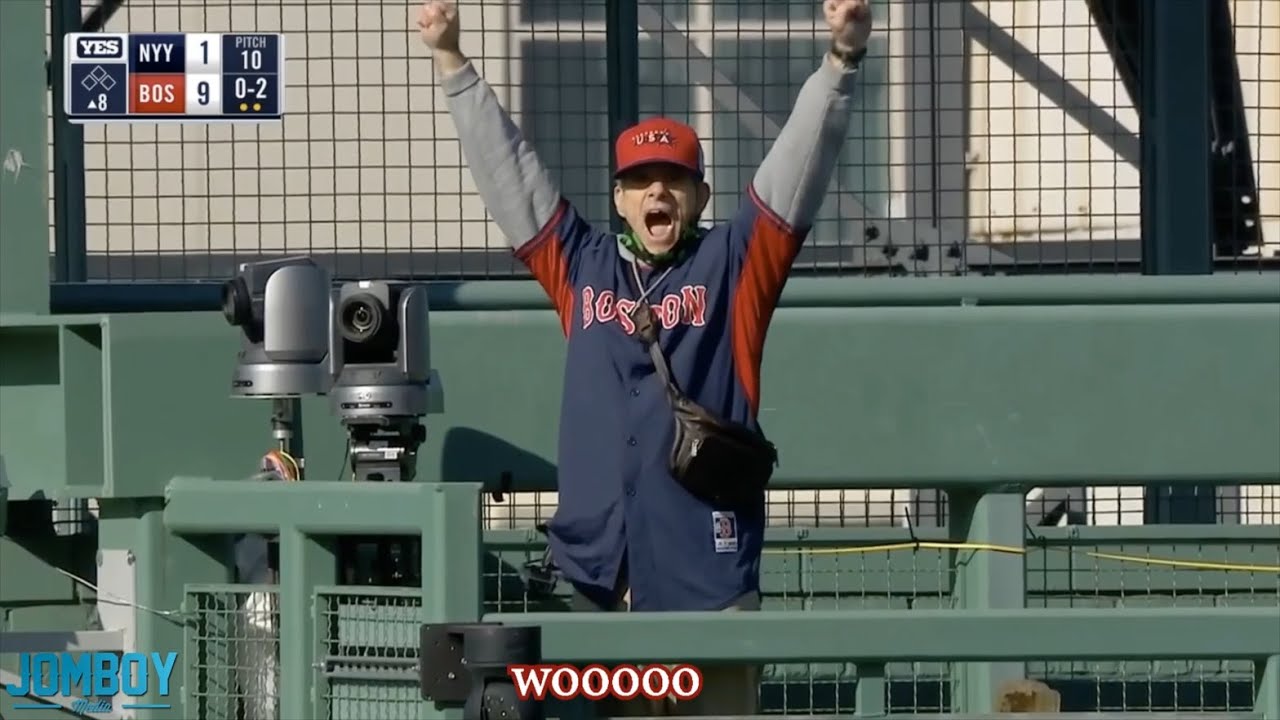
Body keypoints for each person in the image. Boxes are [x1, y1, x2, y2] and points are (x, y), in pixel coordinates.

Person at [417, 1, 873, 715]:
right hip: (602, 586)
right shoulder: (582, 265)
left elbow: (795, 171)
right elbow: (513, 177)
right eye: (640, 180)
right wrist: (452, 61)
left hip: (708, 585)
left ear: (698, 196)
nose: (657, 189)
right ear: (621, 200)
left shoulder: (734, 265)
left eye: (673, 178)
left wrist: (841, 60)